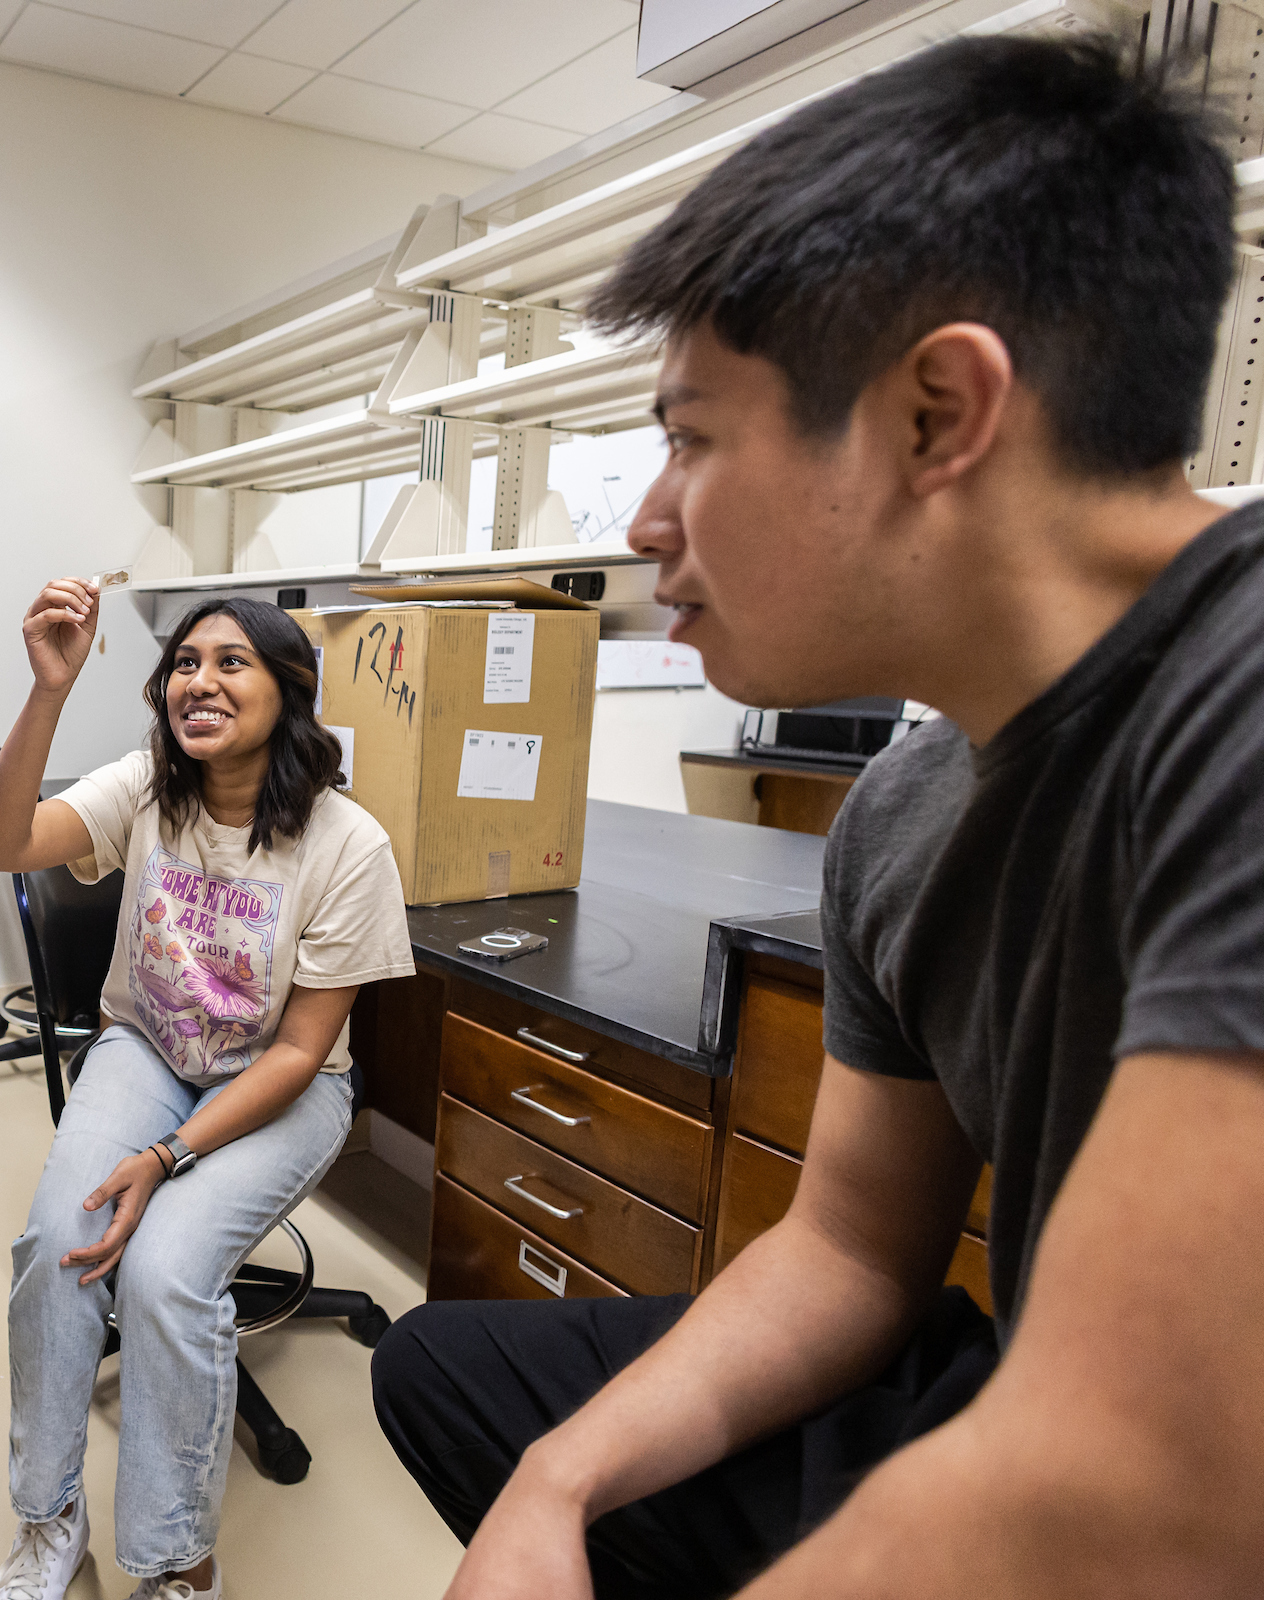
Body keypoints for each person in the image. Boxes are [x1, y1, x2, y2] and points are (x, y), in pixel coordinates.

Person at [370, 30, 1264, 1600]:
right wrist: (558, 1480)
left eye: (694, 437)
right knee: (462, 1387)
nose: (647, 521)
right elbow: (855, 1249)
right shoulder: (905, 816)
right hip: (1043, 1388)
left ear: (938, 415)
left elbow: (1148, 1494)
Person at [0, 585, 415, 1600]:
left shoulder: (349, 846)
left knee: (167, 1272)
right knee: (57, 1244)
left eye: (230, 662)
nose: (198, 680)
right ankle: (48, 1520)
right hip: (148, 1049)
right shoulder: (146, 789)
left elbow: (303, 1050)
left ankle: (180, 1562)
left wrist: (167, 1158)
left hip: (281, 1086)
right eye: (183, 662)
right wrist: (51, 690)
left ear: (290, 688)